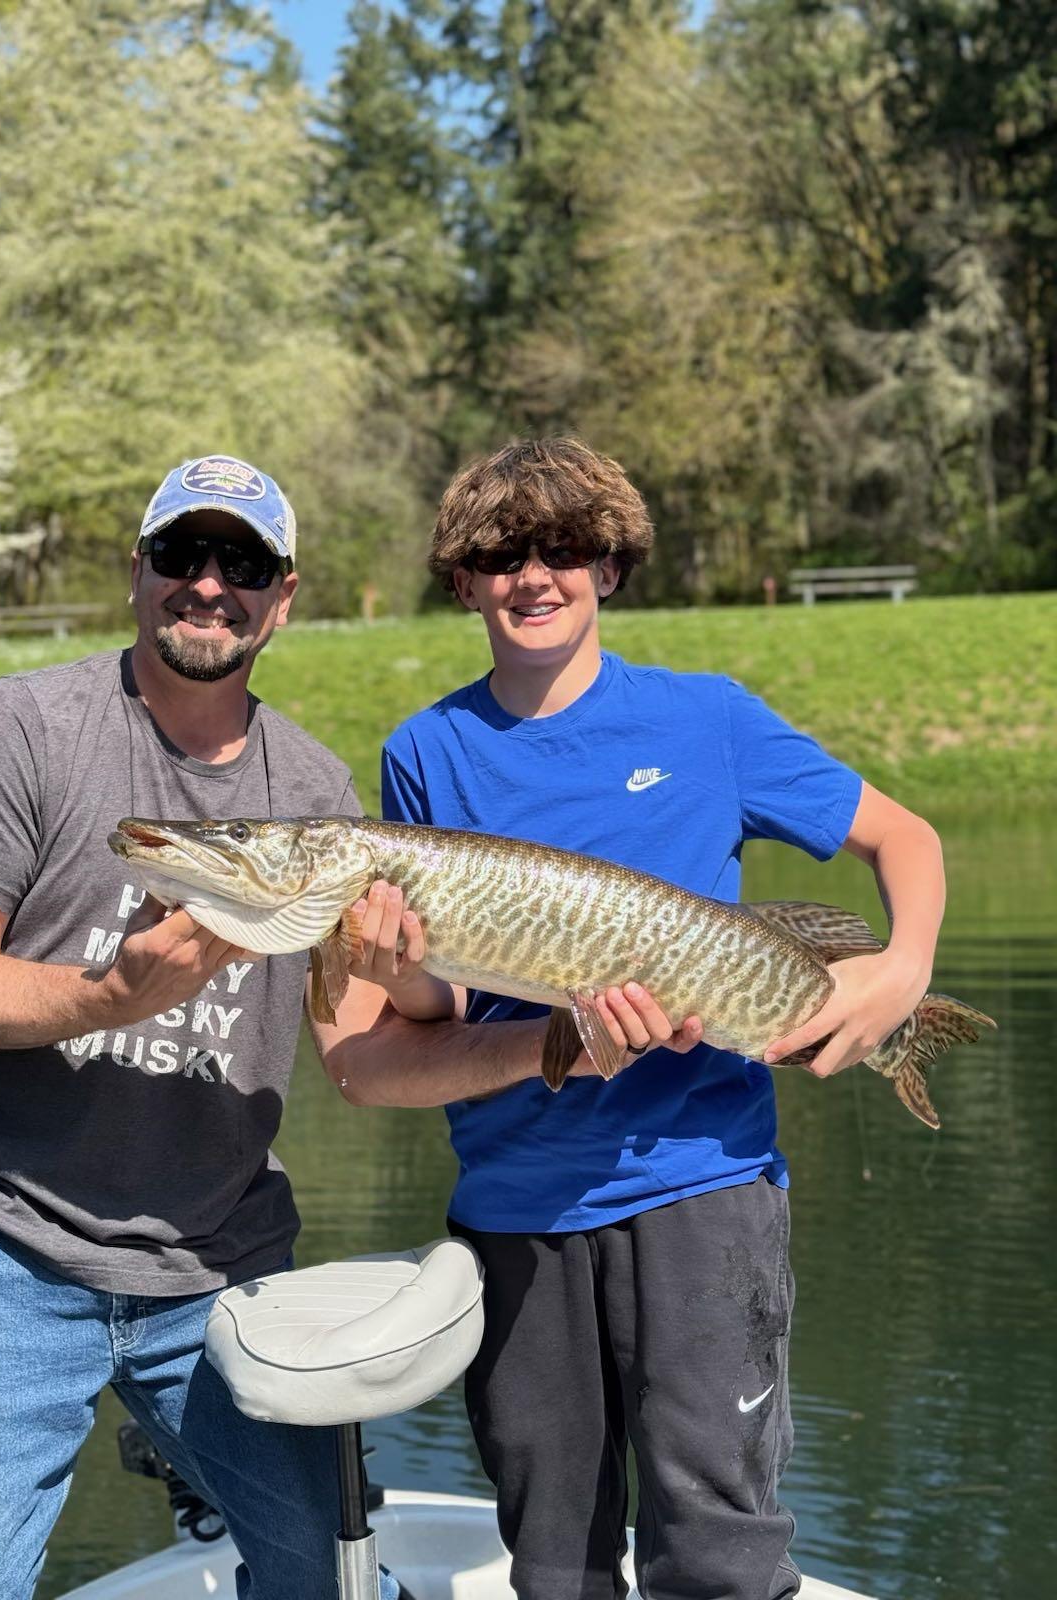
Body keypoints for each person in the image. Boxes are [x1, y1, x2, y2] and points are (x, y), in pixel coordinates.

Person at [316, 437, 946, 1600]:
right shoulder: (425, 752)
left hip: (702, 1189)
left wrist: (901, 972)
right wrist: (396, 973)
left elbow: (904, 838)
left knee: (714, 1550)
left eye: (564, 549)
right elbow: (437, 1007)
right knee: (555, 1561)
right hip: (520, 1206)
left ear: (609, 566)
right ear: (464, 581)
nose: (534, 576)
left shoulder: (707, 718)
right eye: (502, 555)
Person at [0, 454, 397, 1600]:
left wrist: (556, 1040)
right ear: (138, 570)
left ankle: (194, 1447)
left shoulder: (317, 792)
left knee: (332, 1578)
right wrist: (110, 997)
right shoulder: (23, 726)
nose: (209, 584)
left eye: (243, 564)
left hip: (215, 1259)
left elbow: (366, 1053)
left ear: (283, 597)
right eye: (182, 553)